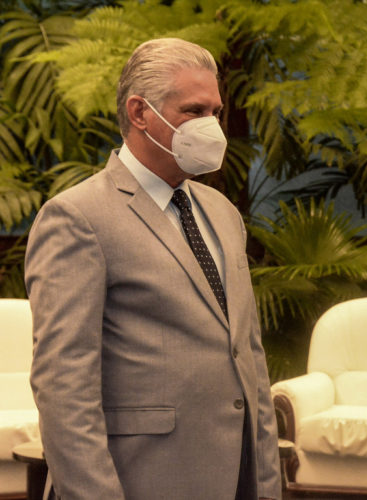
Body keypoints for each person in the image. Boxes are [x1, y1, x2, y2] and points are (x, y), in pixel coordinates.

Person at [25, 38, 281, 500]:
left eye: (215, 112)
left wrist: (265, 486)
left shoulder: (223, 213)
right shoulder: (77, 217)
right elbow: (64, 388)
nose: (211, 126)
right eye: (193, 111)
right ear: (140, 112)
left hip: (235, 480)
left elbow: (250, 356)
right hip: (140, 481)